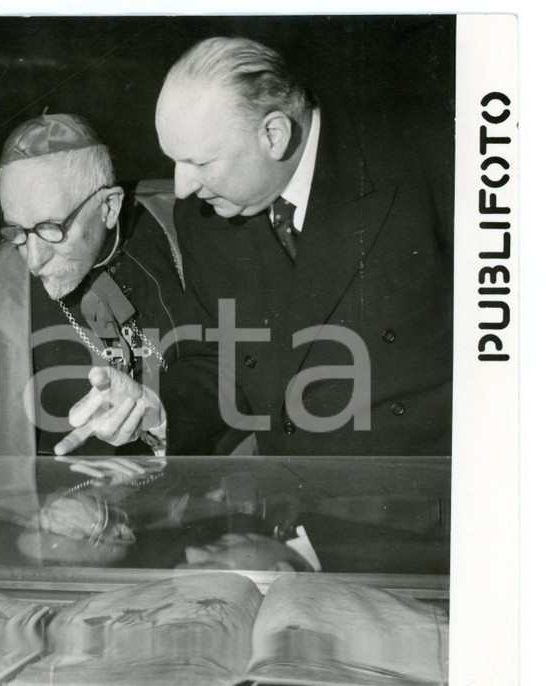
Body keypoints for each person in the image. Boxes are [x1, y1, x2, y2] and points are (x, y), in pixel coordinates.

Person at [154, 37, 453, 456]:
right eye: (175, 160)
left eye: (201, 163)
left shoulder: (434, 158)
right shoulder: (203, 216)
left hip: (419, 497)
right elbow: (219, 362)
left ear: (274, 134)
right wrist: (154, 409)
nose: (182, 187)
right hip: (288, 502)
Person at [0, 113, 223, 458]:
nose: (33, 260)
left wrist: (161, 409)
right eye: (16, 232)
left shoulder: (184, 228)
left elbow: (225, 366)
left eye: (52, 229)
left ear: (109, 207)